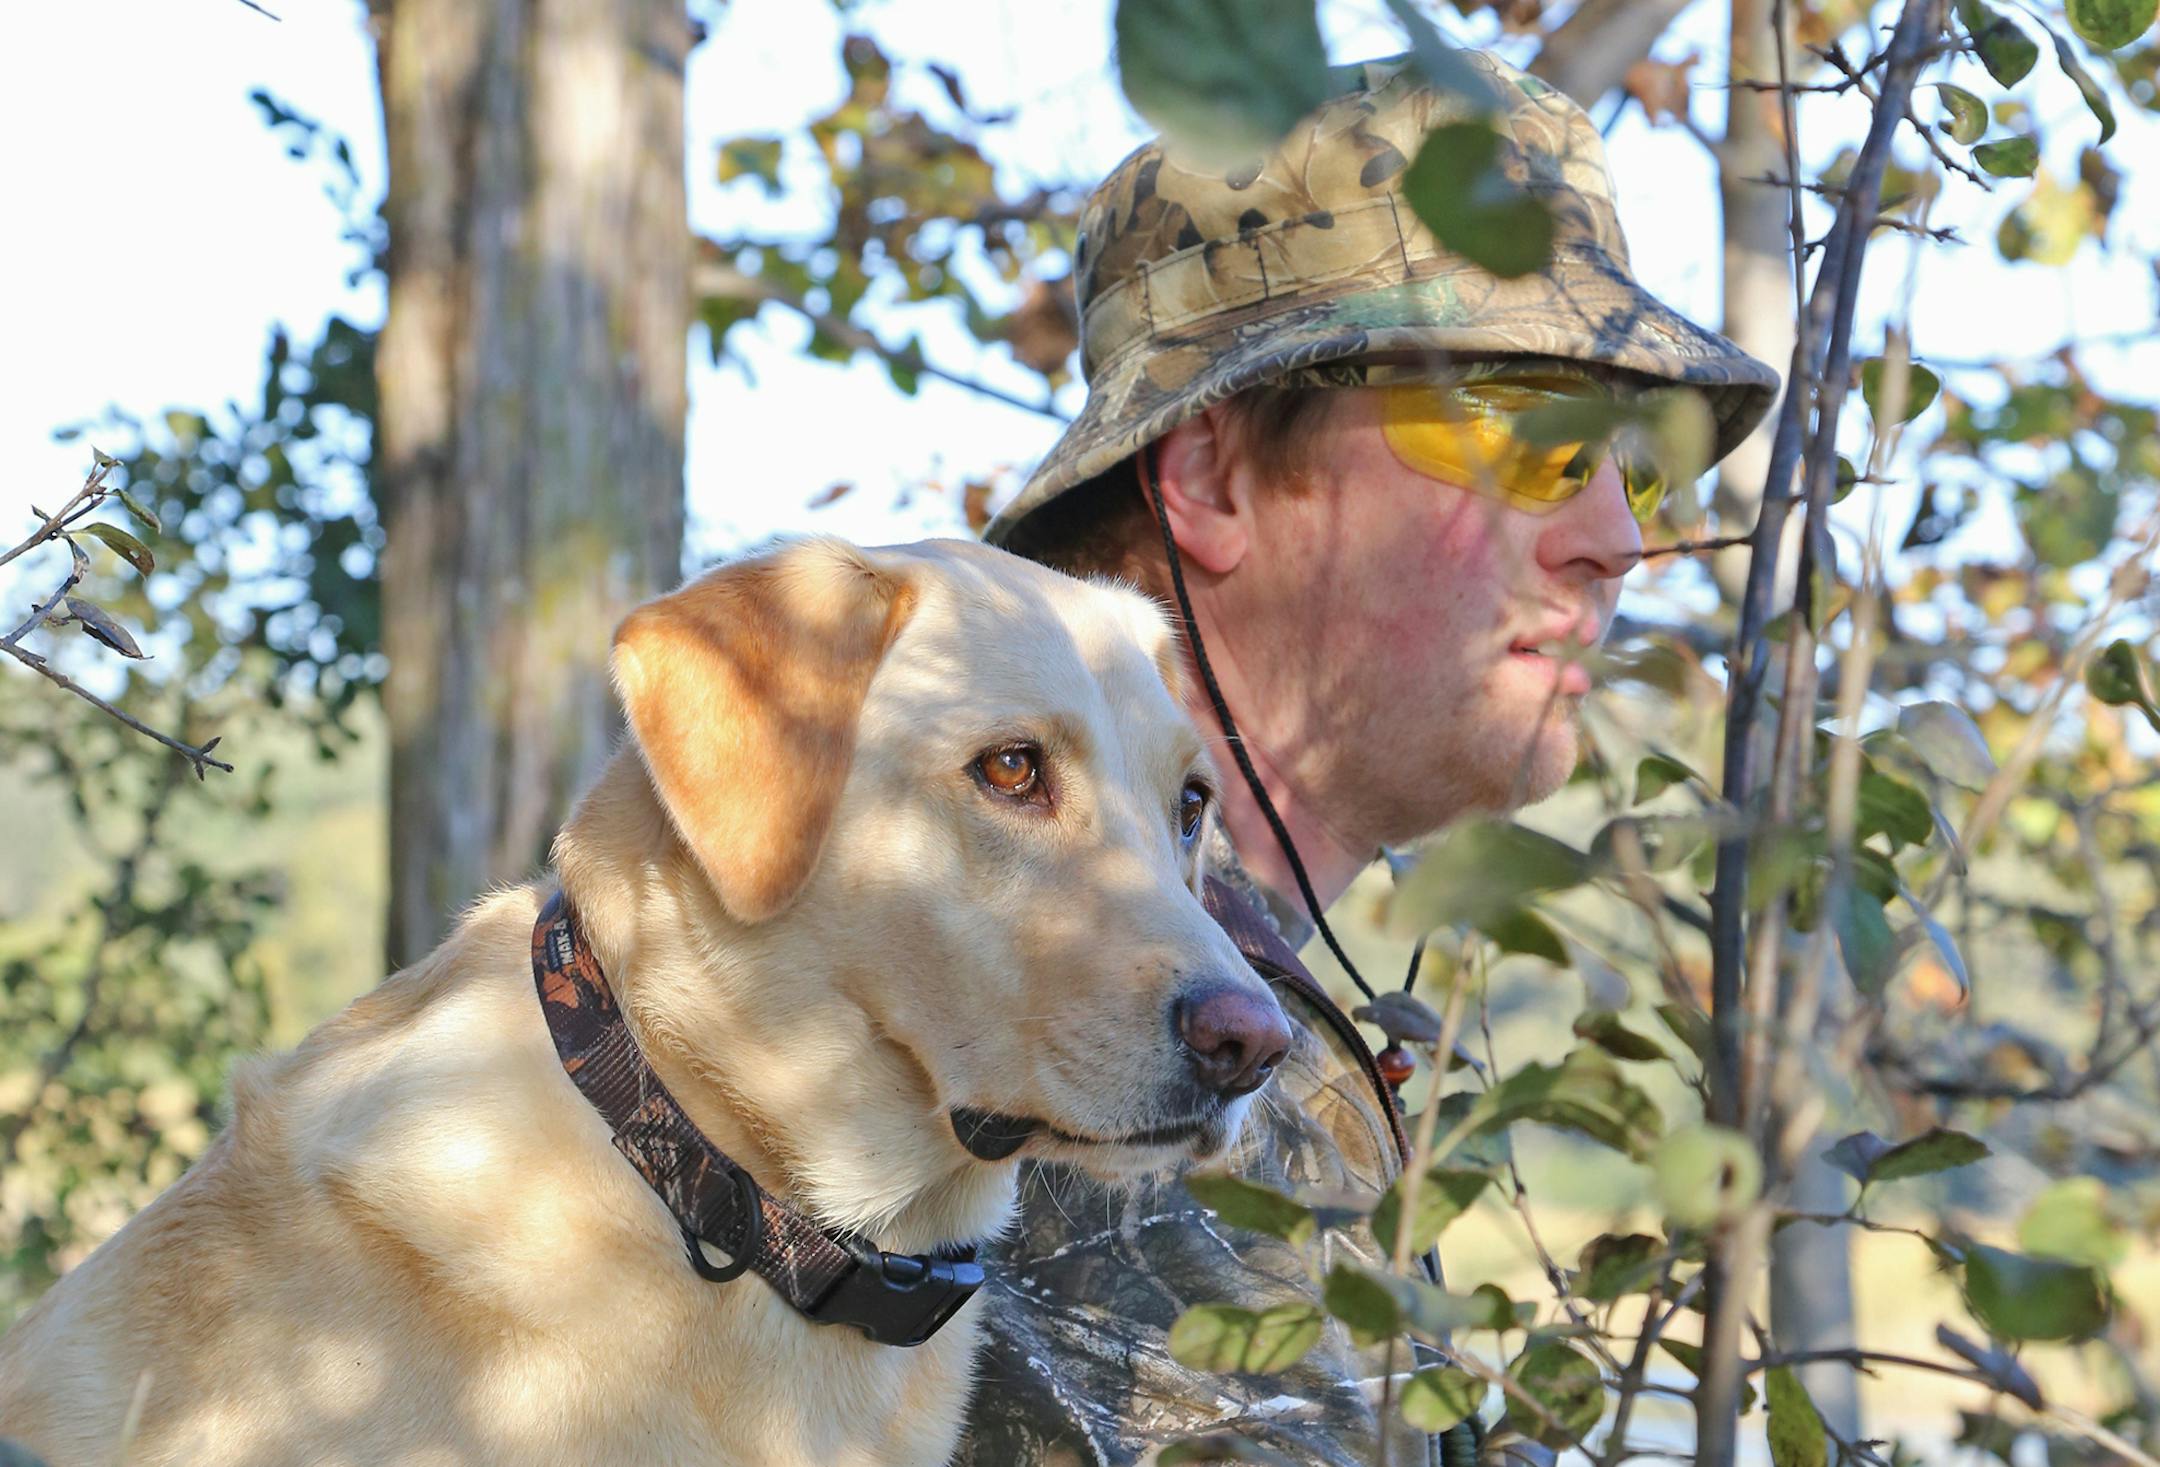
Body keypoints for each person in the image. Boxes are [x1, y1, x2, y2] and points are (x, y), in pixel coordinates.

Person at [953, 49, 1779, 1467]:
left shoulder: (1213, 993)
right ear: (1212, 477)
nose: (1620, 540)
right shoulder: (1066, 1042)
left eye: (1635, 459)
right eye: (1529, 433)